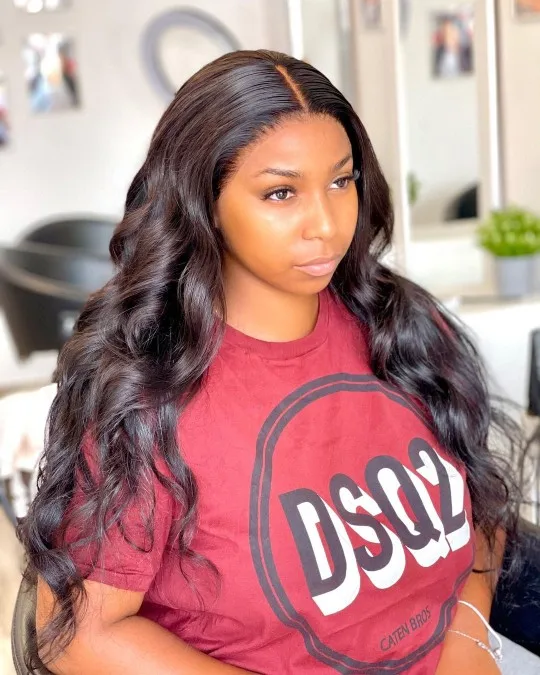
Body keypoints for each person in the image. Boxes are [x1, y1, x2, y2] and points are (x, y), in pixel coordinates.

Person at [20, 50, 528, 674]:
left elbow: (480, 504)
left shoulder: (401, 324)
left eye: (341, 181)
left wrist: (468, 638)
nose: (327, 224)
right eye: (281, 192)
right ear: (204, 201)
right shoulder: (152, 396)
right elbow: (77, 635)